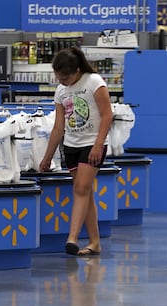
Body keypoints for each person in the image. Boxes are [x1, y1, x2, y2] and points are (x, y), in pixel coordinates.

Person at [39, 47, 113, 256]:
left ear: (77, 70)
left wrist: (99, 144)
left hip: (92, 144)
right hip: (71, 146)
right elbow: (58, 127)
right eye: (57, 75)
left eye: (65, 76)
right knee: (85, 193)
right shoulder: (61, 91)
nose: (60, 80)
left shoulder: (94, 82)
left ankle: (72, 238)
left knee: (80, 189)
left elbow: (107, 115)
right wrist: (47, 157)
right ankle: (94, 242)